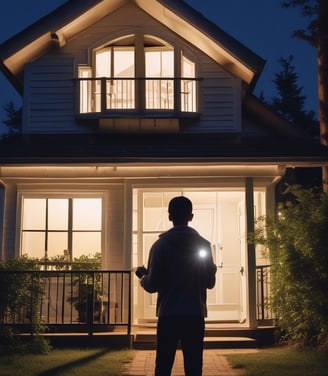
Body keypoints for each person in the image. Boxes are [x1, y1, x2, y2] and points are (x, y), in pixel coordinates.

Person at [136, 196, 217, 376]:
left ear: (170, 216)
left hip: (168, 314)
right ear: (191, 216)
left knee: (163, 366)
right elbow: (210, 283)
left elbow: (152, 285)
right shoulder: (203, 245)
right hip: (194, 313)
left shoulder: (160, 246)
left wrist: (143, 277)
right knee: (194, 366)